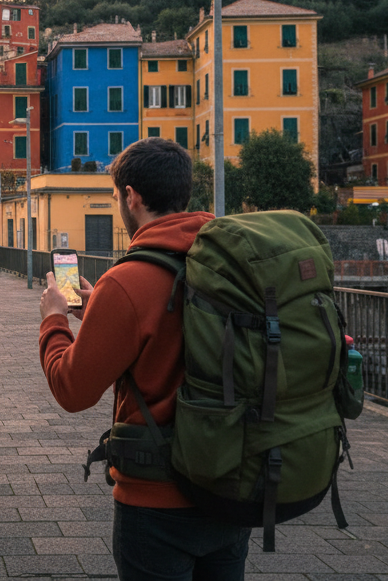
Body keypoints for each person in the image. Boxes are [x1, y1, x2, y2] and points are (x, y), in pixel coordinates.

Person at [37, 137, 251, 580]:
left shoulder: (128, 280)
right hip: (231, 485)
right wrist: (100, 313)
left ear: (131, 197)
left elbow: (72, 390)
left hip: (157, 502)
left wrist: (54, 320)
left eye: (117, 195)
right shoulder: (228, 263)